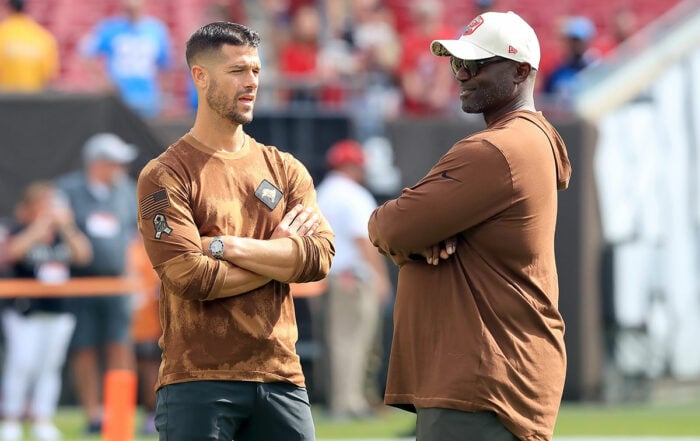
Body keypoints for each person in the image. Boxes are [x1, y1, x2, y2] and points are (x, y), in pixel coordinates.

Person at [367, 11, 572, 441]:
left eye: (476, 64)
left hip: (483, 380)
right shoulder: (528, 140)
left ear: (520, 70)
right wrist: (421, 241)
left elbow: (388, 227)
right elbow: (408, 234)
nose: (461, 74)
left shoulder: (496, 149)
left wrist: (411, 241)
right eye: (457, 64)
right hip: (495, 375)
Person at [135, 21, 334, 441]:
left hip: (282, 376)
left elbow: (318, 258)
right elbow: (190, 277)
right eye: (238, 71)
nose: (252, 83)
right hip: (198, 380)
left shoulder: (284, 167)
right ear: (200, 77)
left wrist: (227, 246)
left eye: (257, 71)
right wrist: (280, 257)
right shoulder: (166, 173)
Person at [55, 132, 139, 435]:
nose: (121, 168)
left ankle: (120, 413)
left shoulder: (127, 191)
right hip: (80, 283)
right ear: (98, 163)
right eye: (115, 162)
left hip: (117, 283)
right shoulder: (67, 189)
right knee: (84, 349)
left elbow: (133, 236)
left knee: (120, 346)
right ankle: (93, 414)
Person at [0, 182, 92, 441]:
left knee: (50, 366)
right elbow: (13, 252)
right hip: (25, 311)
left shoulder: (65, 232)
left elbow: (84, 256)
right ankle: (11, 419)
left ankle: (42, 418)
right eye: (45, 204)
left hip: (59, 311)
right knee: (22, 363)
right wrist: (40, 226)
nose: (51, 210)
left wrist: (66, 226)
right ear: (30, 207)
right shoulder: (16, 228)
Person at [316, 139, 390, 420]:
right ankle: (349, 403)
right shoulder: (352, 194)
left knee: (337, 342)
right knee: (353, 341)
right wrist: (381, 278)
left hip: (328, 277)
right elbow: (364, 240)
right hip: (351, 277)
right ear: (351, 165)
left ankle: (342, 401)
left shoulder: (322, 192)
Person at [79, 0, 172, 118]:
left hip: (148, 99)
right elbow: (86, 54)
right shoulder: (110, 28)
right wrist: (103, 81)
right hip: (119, 99)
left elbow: (165, 66)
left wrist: (163, 94)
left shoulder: (156, 30)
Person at [0, 0, 59, 92]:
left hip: (6, 100)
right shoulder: (43, 36)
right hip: (34, 100)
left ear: (8, 9)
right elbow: (49, 77)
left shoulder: (2, 33)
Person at [543, 15, 600, 102]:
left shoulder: (597, 69)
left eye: (578, 40)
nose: (575, 45)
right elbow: (546, 101)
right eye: (572, 40)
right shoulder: (557, 72)